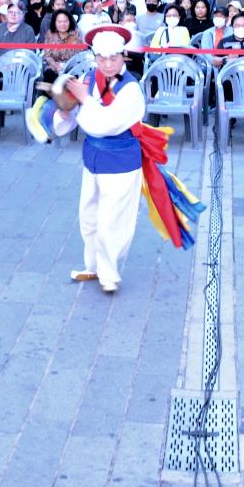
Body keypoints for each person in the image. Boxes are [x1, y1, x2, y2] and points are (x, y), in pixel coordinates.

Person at [54, 24, 147, 294]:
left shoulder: (130, 89)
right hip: (92, 158)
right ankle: (93, 265)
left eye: (113, 58)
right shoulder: (90, 79)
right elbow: (77, 117)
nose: (107, 64)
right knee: (89, 215)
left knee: (112, 220)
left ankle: (109, 273)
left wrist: (84, 101)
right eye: (102, 58)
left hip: (120, 162)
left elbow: (106, 124)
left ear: (123, 57)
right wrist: (64, 113)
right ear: (95, 58)